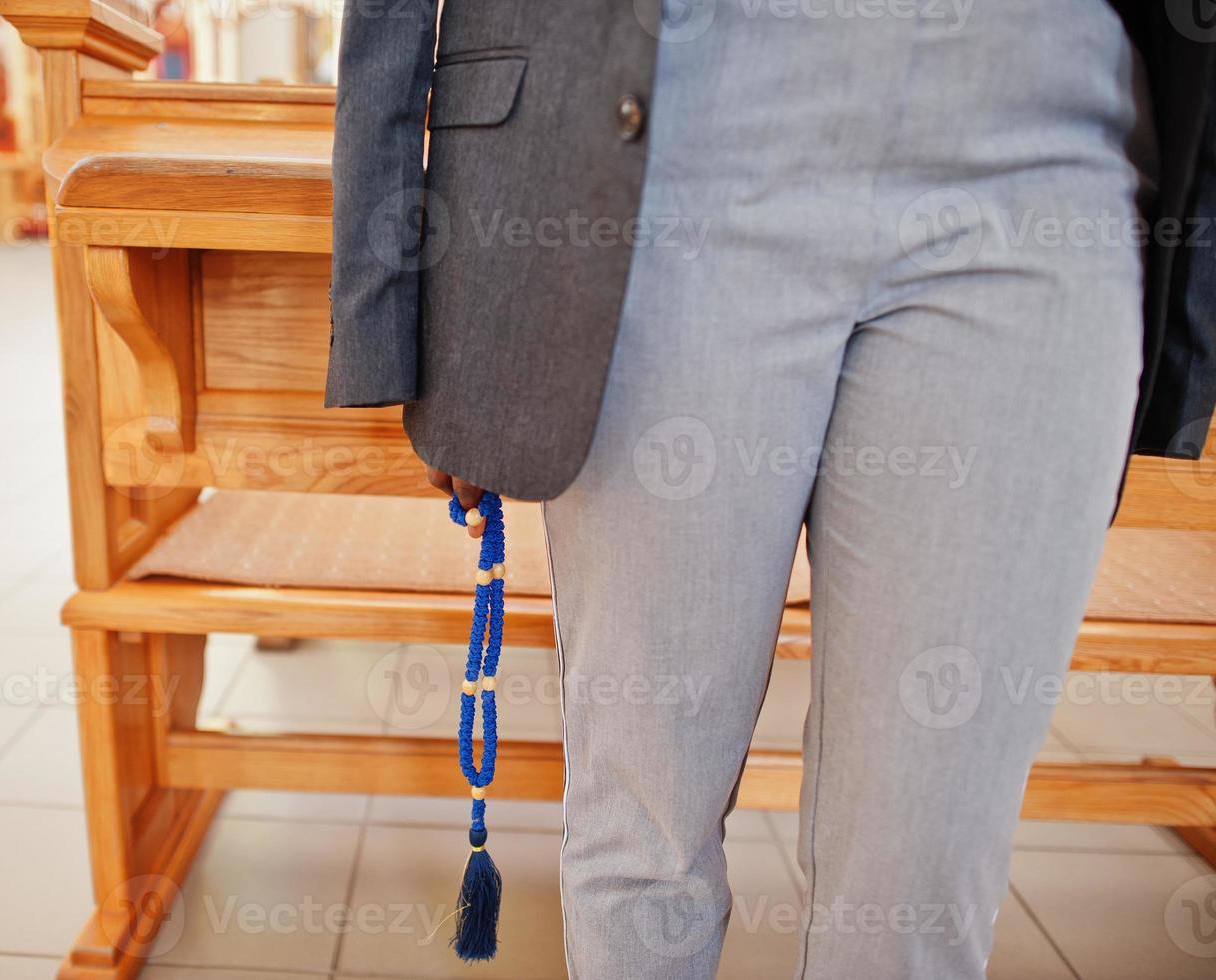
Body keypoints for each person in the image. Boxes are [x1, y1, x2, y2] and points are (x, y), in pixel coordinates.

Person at [327, 1, 1215, 976]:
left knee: (918, 883)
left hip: (1048, 142)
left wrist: (1191, 330)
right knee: (646, 834)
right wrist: (401, 299)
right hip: (676, 131)